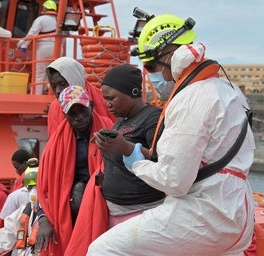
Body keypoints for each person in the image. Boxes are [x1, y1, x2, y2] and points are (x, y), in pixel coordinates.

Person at [87, 13, 256, 256]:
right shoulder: (229, 90)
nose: (153, 74)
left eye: (151, 66)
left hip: (206, 213)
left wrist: (134, 159)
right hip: (239, 211)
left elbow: (174, 181)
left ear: (168, 55)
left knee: (102, 249)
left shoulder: (192, 97)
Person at [64, 64, 165, 256]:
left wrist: (126, 148)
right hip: (116, 211)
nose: (108, 104)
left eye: (112, 98)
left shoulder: (152, 118)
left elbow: (161, 160)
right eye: (105, 99)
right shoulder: (121, 120)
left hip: (142, 211)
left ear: (133, 92)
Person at [35, 85, 113, 255]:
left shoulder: (109, 129)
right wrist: (43, 219)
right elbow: (44, 187)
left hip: (105, 202)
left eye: (83, 111)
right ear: (65, 115)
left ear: (91, 106)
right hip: (68, 209)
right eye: (73, 114)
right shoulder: (54, 145)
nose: (79, 118)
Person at [45, 56, 115, 136]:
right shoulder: (54, 108)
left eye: (62, 84)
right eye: (54, 86)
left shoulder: (105, 99)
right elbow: (55, 143)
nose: (58, 91)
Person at [17, 0, 58, 95]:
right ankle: (51, 95)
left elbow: (32, 33)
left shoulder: (41, 19)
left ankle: (36, 95)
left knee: (39, 74)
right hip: (56, 48)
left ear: (44, 8)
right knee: (52, 73)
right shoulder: (58, 20)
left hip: (43, 48)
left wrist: (24, 45)